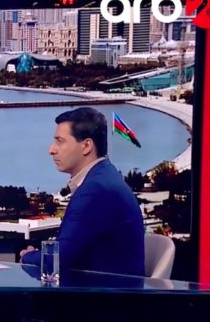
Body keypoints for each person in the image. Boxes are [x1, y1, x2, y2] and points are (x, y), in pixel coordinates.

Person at [20, 107, 145, 276]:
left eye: (60, 141)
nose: (51, 150)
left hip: (104, 291)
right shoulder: (105, 176)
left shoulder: (95, 190)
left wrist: (27, 256)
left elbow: (57, 259)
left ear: (86, 146)